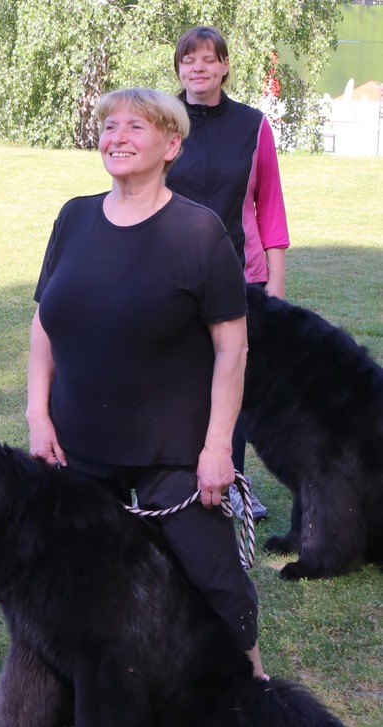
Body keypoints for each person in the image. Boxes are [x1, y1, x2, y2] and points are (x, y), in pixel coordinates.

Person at [26, 87, 268, 680]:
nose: (118, 137)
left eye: (137, 127)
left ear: (172, 145)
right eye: (110, 126)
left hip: (174, 453)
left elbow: (232, 348)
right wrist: (37, 413)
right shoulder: (73, 218)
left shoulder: (200, 233)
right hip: (78, 446)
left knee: (213, 577)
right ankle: (82, 686)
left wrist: (217, 448)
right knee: (74, 573)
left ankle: (252, 682)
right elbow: (44, 323)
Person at [166, 26, 290, 521]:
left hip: (241, 278)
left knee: (232, 382)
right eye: (188, 60)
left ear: (224, 67)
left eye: (208, 59)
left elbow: (270, 209)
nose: (197, 68)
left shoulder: (253, 126)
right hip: (171, 277)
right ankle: (171, 484)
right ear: (179, 69)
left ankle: (234, 484)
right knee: (172, 382)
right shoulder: (161, 120)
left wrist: (275, 286)